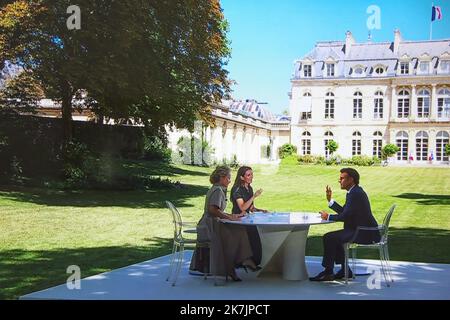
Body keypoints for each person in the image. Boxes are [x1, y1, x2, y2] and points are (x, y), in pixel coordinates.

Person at [189, 166, 260, 282]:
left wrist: (232, 216)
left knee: (239, 231)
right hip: (210, 226)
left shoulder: (218, 189)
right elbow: (213, 210)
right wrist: (229, 217)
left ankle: (241, 262)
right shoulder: (217, 190)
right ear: (221, 178)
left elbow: (218, 210)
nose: (229, 181)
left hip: (213, 223)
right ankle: (235, 264)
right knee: (237, 235)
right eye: (228, 178)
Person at [310, 168, 381, 282]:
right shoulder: (354, 192)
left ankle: (329, 272)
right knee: (336, 238)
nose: (340, 181)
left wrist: (328, 217)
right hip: (361, 230)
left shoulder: (355, 194)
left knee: (330, 237)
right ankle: (344, 271)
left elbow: (345, 216)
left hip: (364, 233)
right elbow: (346, 212)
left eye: (342, 178)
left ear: (351, 180)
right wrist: (330, 201)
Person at [230, 166, 267, 266]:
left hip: (248, 219)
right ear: (242, 177)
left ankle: (253, 262)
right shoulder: (237, 190)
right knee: (251, 240)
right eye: (248, 175)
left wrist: (260, 210)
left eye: (252, 174)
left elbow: (250, 208)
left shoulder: (249, 188)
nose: (251, 177)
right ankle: (244, 262)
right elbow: (242, 207)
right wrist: (254, 196)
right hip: (239, 220)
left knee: (256, 241)